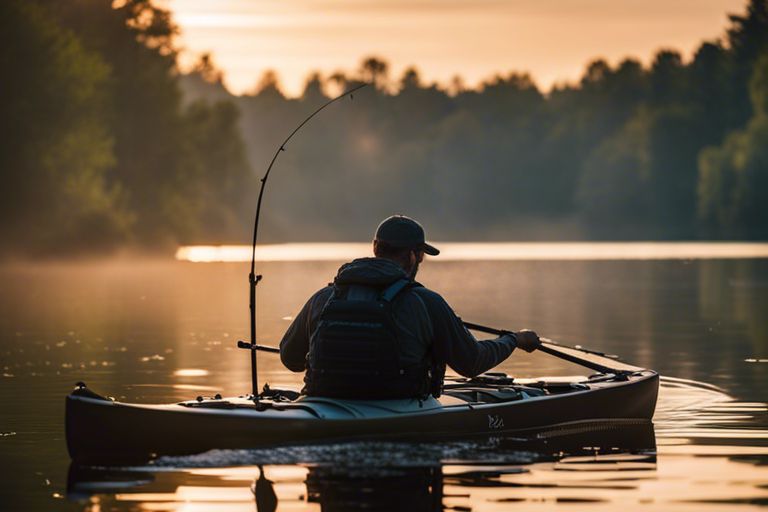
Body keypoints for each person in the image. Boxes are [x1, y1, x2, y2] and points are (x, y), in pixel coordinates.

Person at [279, 215, 540, 399]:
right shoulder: (426, 302)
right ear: (414, 256)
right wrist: (512, 340)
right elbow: (471, 362)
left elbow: (290, 359)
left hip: (321, 404)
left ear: (375, 248)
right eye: (422, 256)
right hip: (400, 407)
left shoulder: (324, 297)